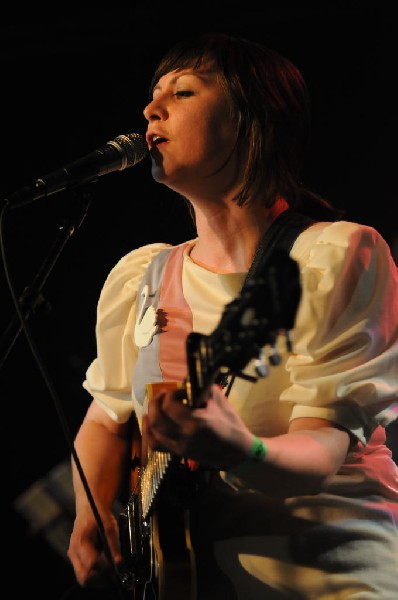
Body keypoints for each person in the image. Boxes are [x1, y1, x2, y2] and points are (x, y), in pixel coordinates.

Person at [67, 32, 398, 599]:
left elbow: (322, 449)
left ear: (251, 118)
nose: (151, 108)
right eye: (153, 94)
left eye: (184, 91)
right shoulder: (143, 277)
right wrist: (90, 520)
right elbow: (104, 417)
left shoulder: (333, 255)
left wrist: (241, 450)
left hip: (327, 573)